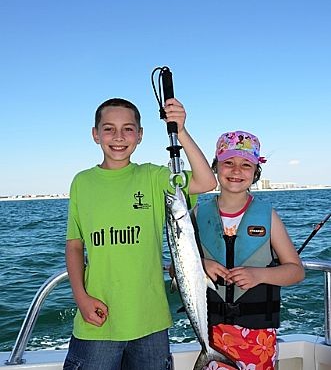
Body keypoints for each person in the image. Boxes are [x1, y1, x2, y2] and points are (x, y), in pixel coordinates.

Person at [63, 97, 217, 370]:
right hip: (98, 318)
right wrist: (81, 298)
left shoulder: (154, 177)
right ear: (95, 134)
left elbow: (206, 181)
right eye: (109, 128)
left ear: (141, 135)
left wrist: (180, 130)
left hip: (151, 321)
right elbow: (75, 244)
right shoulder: (81, 182)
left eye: (128, 129)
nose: (119, 137)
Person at [191, 131, 305, 370]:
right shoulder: (196, 215)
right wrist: (200, 265)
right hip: (211, 333)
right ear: (215, 167)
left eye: (245, 165)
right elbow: (175, 268)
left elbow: (295, 271)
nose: (236, 171)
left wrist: (259, 275)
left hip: (258, 337)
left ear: (255, 173)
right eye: (228, 163)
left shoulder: (269, 217)